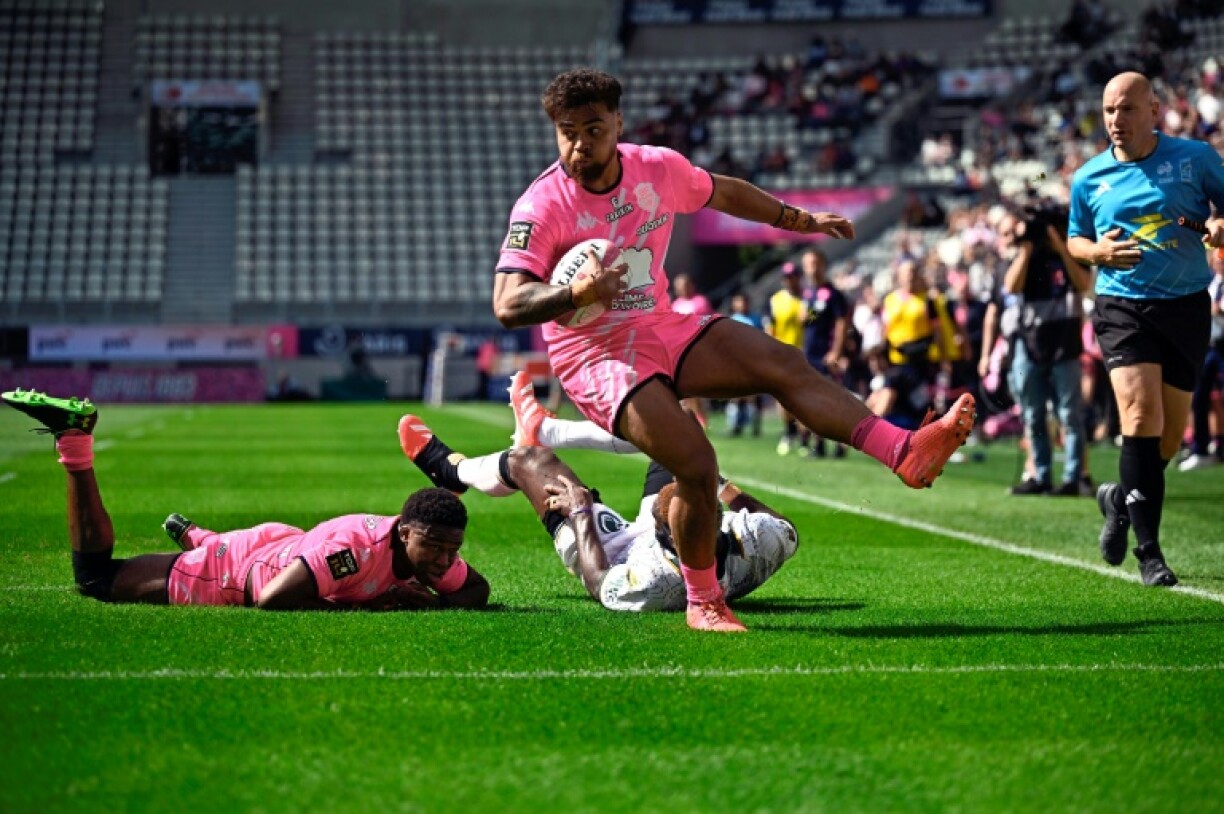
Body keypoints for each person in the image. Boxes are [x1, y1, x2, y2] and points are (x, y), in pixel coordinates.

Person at [492, 67, 975, 632]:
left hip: (660, 325)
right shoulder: (542, 205)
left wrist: (799, 220)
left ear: (618, 123)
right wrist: (576, 292)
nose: (579, 144)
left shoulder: (655, 167)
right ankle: (703, 602)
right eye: (567, 131)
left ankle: (903, 450)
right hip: (594, 356)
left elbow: (721, 190)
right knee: (696, 464)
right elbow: (507, 302)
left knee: (783, 363)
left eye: (593, 129)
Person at [2, 389, 490, 610]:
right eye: (438, 548)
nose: (447, 560)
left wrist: (433, 606)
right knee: (95, 579)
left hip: (285, 546)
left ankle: (196, 534)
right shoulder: (353, 550)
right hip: (235, 571)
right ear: (405, 532)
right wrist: (373, 604)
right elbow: (273, 599)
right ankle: (74, 441)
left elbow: (477, 591)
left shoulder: (429, 553)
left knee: (268, 552)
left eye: (453, 549)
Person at [397, 406, 798, 612]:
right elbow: (784, 527)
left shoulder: (655, 582)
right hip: (685, 542)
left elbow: (598, 582)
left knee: (528, 461)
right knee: (680, 427)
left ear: (663, 539)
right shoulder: (755, 539)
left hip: (609, 552)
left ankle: (453, 471)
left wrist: (581, 513)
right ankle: (547, 427)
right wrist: (717, 483)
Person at [1067, 71, 1224, 586]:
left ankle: (1117, 498)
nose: (1116, 120)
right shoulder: (1089, 177)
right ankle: (1149, 553)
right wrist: (1099, 252)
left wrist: (1220, 225)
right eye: (1110, 110)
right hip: (1121, 306)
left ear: (1155, 110)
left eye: (1128, 109)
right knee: (1139, 415)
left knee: (1167, 441)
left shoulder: (1196, 158)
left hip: (1185, 307)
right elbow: (1075, 241)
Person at [1002, 205, 1092, 496]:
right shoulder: (1029, 256)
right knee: (1033, 414)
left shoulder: (1073, 252)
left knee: (1070, 414)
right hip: (1030, 343)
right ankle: (1040, 474)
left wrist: (1061, 247)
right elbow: (1010, 286)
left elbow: (1083, 284)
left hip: (1065, 341)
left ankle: (1073, 477)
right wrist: (1026, 250)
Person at [799, 247, 848, 457]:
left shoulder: (833, 294)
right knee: (812, 400)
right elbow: (807, 322)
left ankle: (840, 443)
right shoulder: (808, 294)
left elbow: (841, 322)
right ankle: (817, 443)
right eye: (809, 264)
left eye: (816, 263)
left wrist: (836, 351)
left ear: (824, 265)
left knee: (832, 400)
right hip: (810, 354)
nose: (812, 268)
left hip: (826, 355)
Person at [766, 261, 809, 456]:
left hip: (804, 354)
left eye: (793, 276)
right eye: (786, 277)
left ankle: (804, 436)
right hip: (782, 354)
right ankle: (789, 431)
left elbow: (817, 319)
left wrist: (811, 316)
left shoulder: (808, 298)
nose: (789, 281)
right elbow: (771, 326)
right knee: (783, 397)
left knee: (804, 398)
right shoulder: (776, 300)